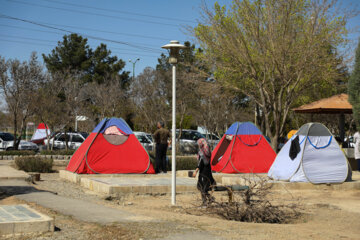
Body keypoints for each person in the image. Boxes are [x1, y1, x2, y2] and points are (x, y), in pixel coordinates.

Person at [193, 138, 216, 204]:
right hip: (208, 173)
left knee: (201, 187)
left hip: (203, 173)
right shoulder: (207, 152)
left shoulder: (202, 153)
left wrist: (195, 171)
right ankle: (209, 199)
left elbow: (200, 163)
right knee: (204, 188)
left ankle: (205, 201)